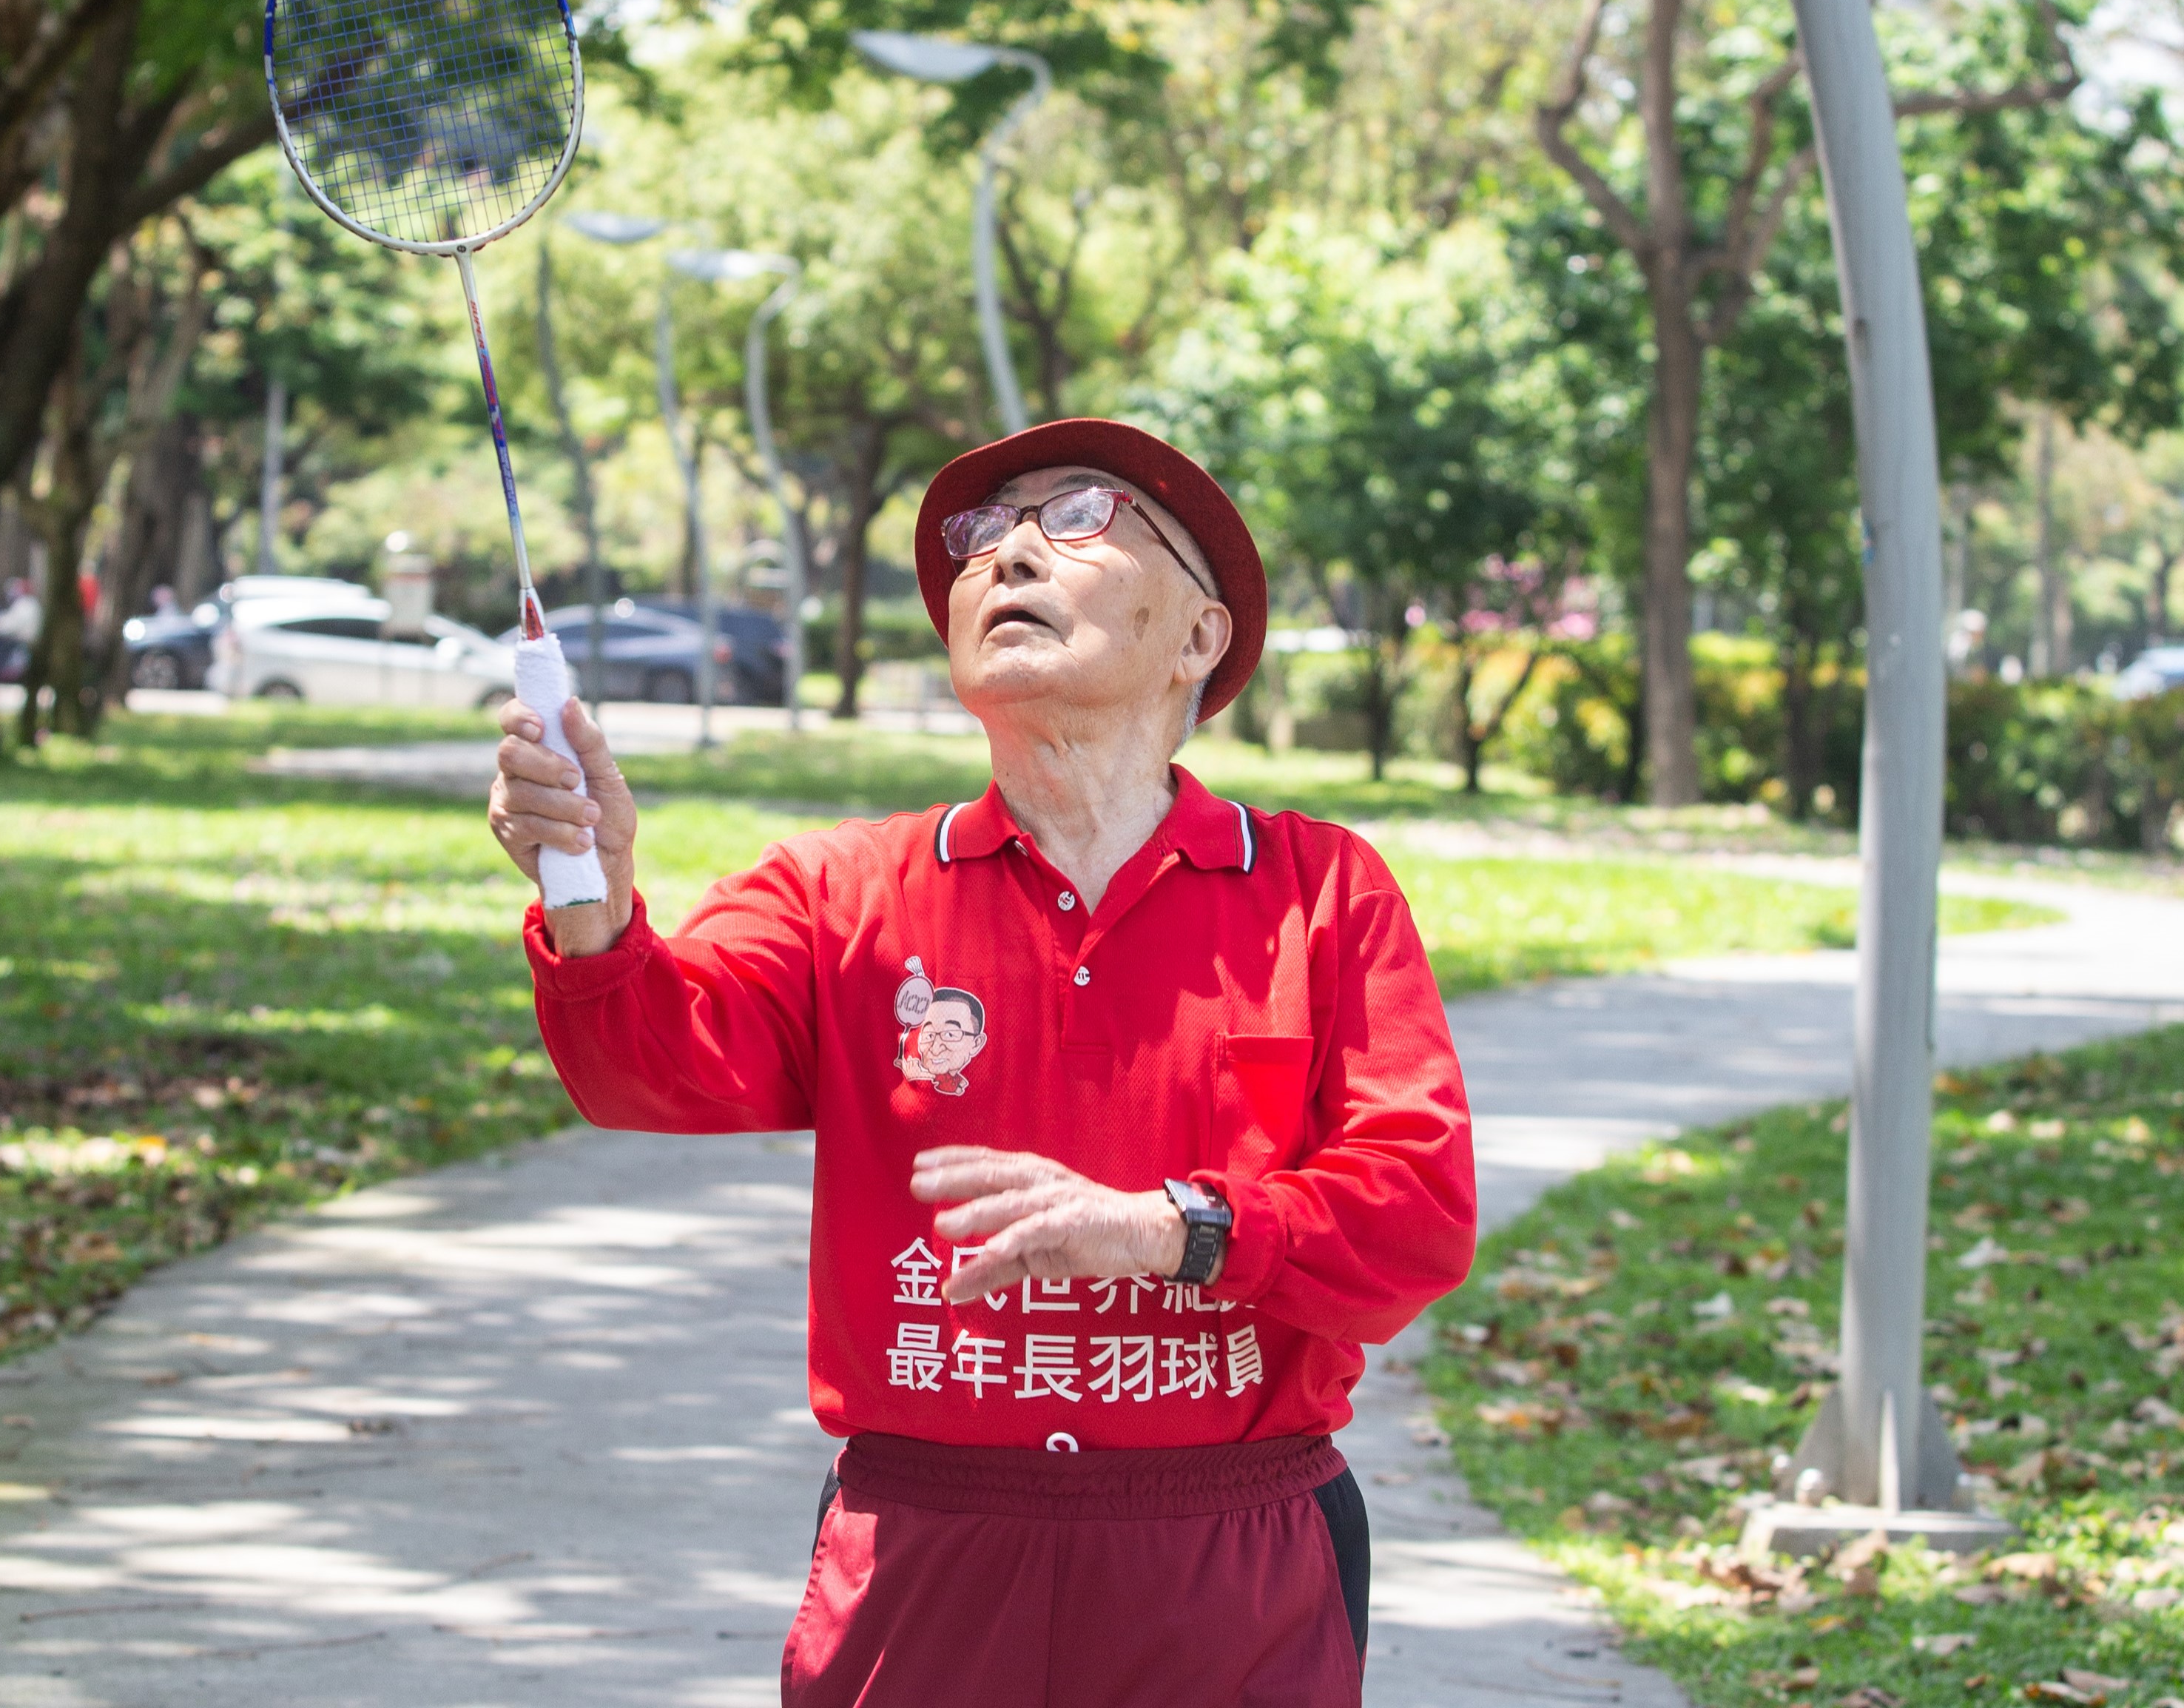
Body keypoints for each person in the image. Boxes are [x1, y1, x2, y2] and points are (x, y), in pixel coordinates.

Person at [487, 418, 1476, 1705]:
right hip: (924, 1552)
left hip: (1228, 1559)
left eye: (1079, 516)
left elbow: (1417, 1214)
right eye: (979, 535)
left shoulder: (1318, 890)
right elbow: (649, 1063)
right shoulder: (849, 888)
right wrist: (592, 894)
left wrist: (1164, 1228)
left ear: (1200, 637)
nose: (1007, 549)